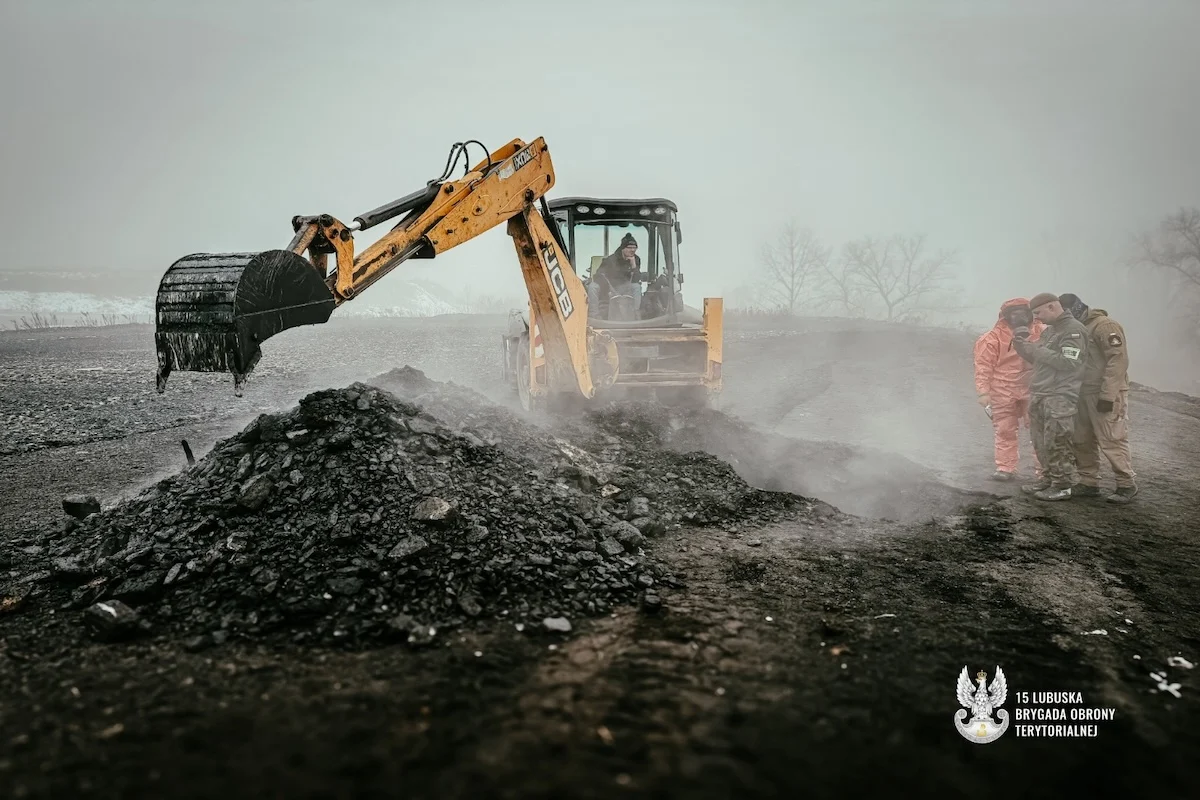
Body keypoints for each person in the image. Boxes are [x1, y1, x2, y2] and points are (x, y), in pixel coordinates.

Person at [1058, 293, 1138, 502]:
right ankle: (1088, 481)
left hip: (1103, 392)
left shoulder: (1105, 326)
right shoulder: (1073, 328)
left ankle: (1126, 483)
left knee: (1111, 437)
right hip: (1080, 391)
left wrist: (1108, 395)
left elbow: (1118, 360)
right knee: (1081, 438)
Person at [1010, 293, 1089, 501]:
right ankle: (1047, 479)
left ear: (1053, 307)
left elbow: (1069, 363)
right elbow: (1039, 359)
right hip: (1041, 392)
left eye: (1038, 313)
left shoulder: (1074, 330)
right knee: (1040, 441)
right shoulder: (1051, 331)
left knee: (1057, 442)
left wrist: (1037, 351)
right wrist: (1022, 346)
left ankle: (1062, 485)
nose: (1036, 318)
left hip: (1060, 395)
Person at [973, 298, 1047, 481]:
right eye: (1014, 314)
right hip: (1002, 390)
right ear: (1005, 317)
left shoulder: (1044, 333)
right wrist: (983, 392)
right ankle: (1006, 467)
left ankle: (1046, 471)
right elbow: (983, 366)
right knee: (1005, 429)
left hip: (1034, 388)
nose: (1020, 317)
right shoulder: (991, 338)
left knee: (1039, 429)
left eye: (1023, 312)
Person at [594, 233, 643, 319]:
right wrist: (607, 288)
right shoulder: (610, 260)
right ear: (623, 248)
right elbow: (598, 275)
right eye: (629, 247)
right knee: (593, 287)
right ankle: (594, 315)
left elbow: (637, 279)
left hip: (626, 287)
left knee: (636, 287)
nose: (632, 250)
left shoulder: (636, 259)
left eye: (634, 247)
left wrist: (634, 266)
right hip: (610, 287)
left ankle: (635, 315)